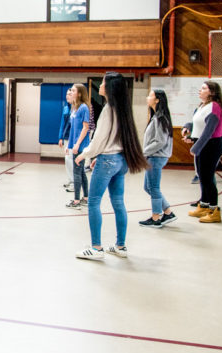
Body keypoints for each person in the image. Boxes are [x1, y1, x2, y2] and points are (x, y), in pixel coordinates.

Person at [75, 72, 148, 260]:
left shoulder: (108, 110)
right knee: (118, 203)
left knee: (93, 202)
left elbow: (99, 140)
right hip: (120, 160)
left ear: (109, 88)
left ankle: (96, 248)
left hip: (107, 160)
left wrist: (84, 154)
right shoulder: (122, 108)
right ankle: (120, 246)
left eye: (103, 82)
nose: (100, 85)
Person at [185, 81, 222, 223]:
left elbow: (208, 131)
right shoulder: (203, 106)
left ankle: (214, 210)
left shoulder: (214, 107)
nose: (200, 90)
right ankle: (204, 205)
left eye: (203, 88)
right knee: (202, 177)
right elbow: (196, 123)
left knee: (208, 178)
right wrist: (187, 128)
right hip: (202, 144)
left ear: (211, 92)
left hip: (210, 145)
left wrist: (196, 147)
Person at [140, 89, 176, 228]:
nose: (147, 97)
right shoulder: (156, 117)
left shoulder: (160, 118)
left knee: (153, 187)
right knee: (147, 187)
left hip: (156, 157)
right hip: (152, 157)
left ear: (157, 100)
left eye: (150, 95)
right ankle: (167, 212)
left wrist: (143, 152)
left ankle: (156, 218)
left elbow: (160, 141)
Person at [66, 83, 90, 209]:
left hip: (80, 146)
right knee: (81, 172)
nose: (71, 92)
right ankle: (86, 198)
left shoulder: (84, 108)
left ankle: (76, 201)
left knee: (77, 173)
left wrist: (77, 144)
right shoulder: (74, 108)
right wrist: (69, 145)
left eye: (73, 90)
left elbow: (85, 128)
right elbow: (73, 129)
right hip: (74, 144)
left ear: (79, 93)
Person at [58, 87, 74, 192]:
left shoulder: (78, 108)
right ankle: (70, 179)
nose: (67, 96)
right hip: (67, 137)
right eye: (67, 94)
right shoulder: (66, 108)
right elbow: (62, 124)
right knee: (67, 160)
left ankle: (74, 182)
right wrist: (60, 137)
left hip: (74, 139)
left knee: (72, 160)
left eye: (70, 94)